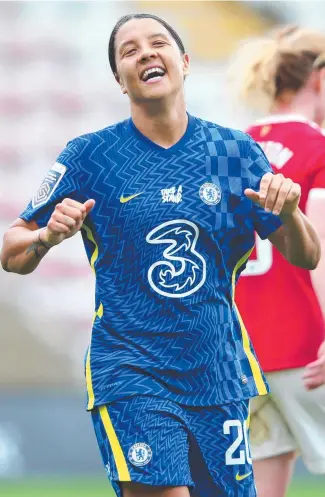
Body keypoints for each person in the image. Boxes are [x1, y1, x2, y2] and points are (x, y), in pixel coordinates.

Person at [0, 14, 321, 497]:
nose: (145, 53)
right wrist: (46, 236)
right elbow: (11, 248)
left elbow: (307, 254)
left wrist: (291, 213)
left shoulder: (235, 153)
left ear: (184, 62)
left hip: (220, 373)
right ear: (118, 80)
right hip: (132, 371)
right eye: (129, 51)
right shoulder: (91, 156)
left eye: (157, 43)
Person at [231, 26, 325, 497]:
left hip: (245, 354)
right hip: (310, 349)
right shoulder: (318, 149)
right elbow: (321, 255)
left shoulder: (232, 149)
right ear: (319, 81)